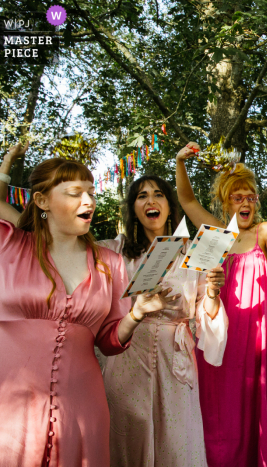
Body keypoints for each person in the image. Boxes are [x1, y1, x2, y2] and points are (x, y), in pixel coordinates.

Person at [0, 146, 173, 467]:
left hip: (82, 411)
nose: (89, 201)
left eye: (91, 192)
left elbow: (109, 340)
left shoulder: (110, 263)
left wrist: (138, 312)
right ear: (42, 201)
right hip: (5, 411)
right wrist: (5, 165)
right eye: (75, 193)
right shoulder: (4, 243)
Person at [98, 175, 227, 467]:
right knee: (130, 435)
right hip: (128, 356)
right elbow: (62, 236)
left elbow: (206, 314)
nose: (150, 200)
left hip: (176, 361)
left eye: (158, 194)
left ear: (170, 206)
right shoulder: (116, 251)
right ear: (133, 208)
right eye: (142, 196)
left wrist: (211, 292)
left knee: (177, 441)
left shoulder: (193, 254)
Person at [175, 143, 267, 466]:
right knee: (219, 405)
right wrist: (181, 161)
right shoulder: (216, 233)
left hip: (256, 334)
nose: (246, 202)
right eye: (238, 197)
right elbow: (187, 200)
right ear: (227, 201)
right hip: (219, 332)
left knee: (253, 403)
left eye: (251, 196)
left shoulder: (264, 231)